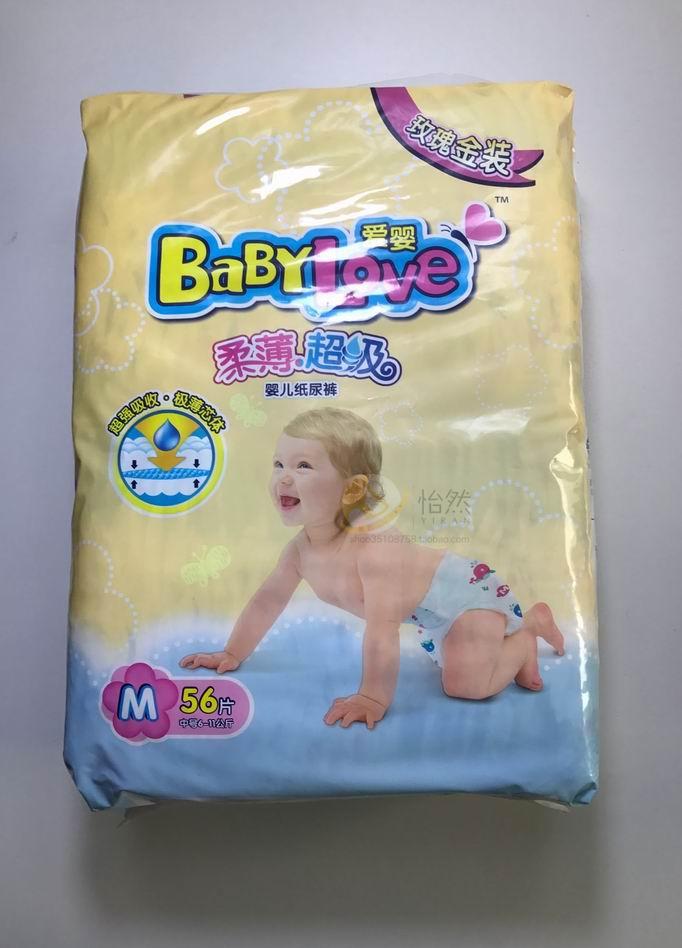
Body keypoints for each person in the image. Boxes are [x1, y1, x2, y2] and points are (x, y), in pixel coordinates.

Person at [180, 407, 563, 729]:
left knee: (467, 686)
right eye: (279, 463)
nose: (284, 476)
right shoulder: (299, 550)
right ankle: (500, 641)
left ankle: (527, 631)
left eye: (303, 466)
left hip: (465, 597)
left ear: (352, 489)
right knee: (457, 666)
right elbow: (267, 601)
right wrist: (232, 653)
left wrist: (372, 697)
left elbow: (383, 631)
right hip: (431, 615)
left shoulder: (375, 548)